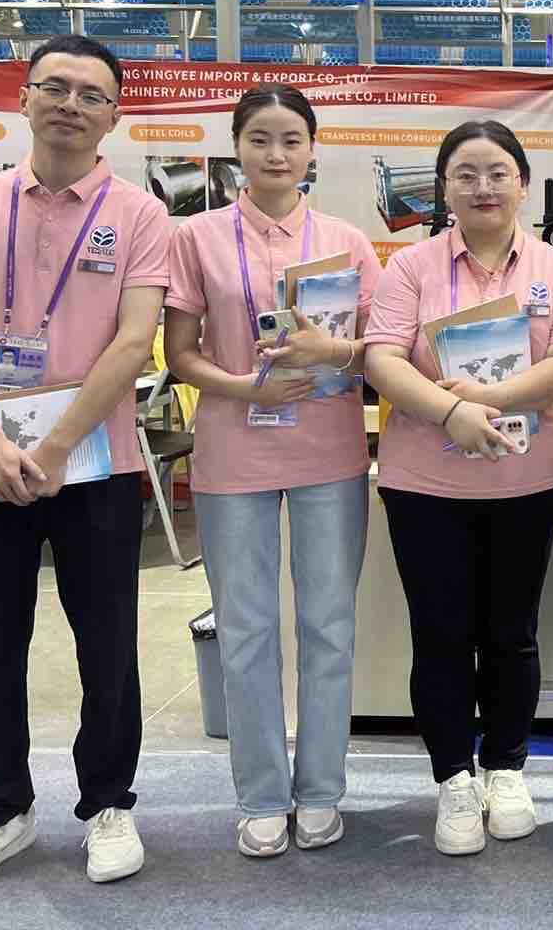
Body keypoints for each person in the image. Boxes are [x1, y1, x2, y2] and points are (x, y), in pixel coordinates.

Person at [0, 35, 171, 897]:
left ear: (114, 113)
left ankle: (109, 803)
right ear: (24, 101)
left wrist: (59, 442)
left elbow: (135, 340)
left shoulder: (139, 215)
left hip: (95, 461)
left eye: (91, 94)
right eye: (54, 88)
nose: (70, 104)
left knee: (107, 644)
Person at [163, 84, 382, 859]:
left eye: (292, 140)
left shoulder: (349, 243)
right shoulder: (196, 239)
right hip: (233, 452)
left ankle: (320, 789)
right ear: (237, 147)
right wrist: (246, 385)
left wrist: (335, 355)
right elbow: (181, 354)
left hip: (330, 450)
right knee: (247, 626)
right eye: (260, 139)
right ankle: (260, 792)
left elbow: (376, 351)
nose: (277, 155)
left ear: (313, 148)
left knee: (327, 624)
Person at [363, 121, 553, 857]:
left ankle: (505, 766)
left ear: (523, 182)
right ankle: (454, 776)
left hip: (526, 480)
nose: (483, 187)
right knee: (440, 634)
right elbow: (381, 360)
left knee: (511, 633)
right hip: (425, 480)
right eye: (466, 174)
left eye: (498, 172)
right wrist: (452, 411)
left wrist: (494, 400)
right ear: (444, 188)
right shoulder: (411, 267)